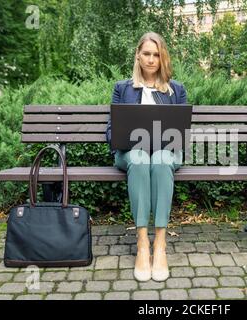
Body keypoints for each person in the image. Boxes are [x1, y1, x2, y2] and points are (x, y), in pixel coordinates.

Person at [106, 32, 187, 282]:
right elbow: (110, 130)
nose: (151, 60)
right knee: (140, 158)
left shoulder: (176, 90)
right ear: (138, 56)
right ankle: (143, 243)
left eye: (156, 55)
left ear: (162, 58)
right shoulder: (123, 88)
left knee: (161, 160)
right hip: (131, 153)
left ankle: (160, 245)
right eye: (147, 54)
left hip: (166, 152)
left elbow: (182, 131)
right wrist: (122, 136)